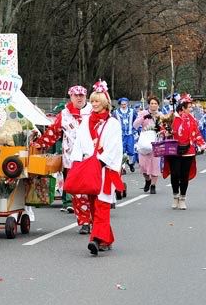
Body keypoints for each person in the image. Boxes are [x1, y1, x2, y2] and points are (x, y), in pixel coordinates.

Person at [31, 84, 93, 233]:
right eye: (76, 96)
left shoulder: (92, 111)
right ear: (71, 97)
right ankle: (84, 222)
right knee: (77, 192)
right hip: (71, 160)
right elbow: (53, 133)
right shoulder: (64, 114)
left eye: (81, 96)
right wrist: (39, 145)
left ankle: (95, 219)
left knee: (92, 191)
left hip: (91, 159)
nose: (79, 98)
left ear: (86, 97)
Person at [70, 85, 123, 256]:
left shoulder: (113, 123)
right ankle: (106, 238)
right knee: (93, 204)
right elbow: (78, 142)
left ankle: (96, 239)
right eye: (92, 101)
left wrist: (101, 161)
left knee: (102, 204)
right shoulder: (86, 121)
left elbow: (114, 146)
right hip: (88, 166)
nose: (94, 104)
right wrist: (76, 162)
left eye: (97, 101)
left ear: (105, 103)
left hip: (104, 168)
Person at [162, 94, 205, 210]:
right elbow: (162, 128)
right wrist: (166, 132)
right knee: (175, 173)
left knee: (184, 175)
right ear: (182, 107)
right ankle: (175, 195)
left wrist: (202, 144)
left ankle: (182, 198)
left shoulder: (192, 119)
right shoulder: (172, 117)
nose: (191, 109)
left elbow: (196, 133)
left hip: (188, 150)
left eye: (191, 107)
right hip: (174, 149)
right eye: (189, 107)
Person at [133, 96, 162, 194]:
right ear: (149, 104)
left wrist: (160, 128)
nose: (153, 105)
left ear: (158, 105)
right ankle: (147, 180)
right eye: (152, 103)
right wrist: (143, 117)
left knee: (155, 165)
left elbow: (165, 128)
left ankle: (153, 185)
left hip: (156, 142)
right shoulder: (143, 113)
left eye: (155, 103)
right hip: (144, 142)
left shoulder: (161, 115)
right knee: (143, 165)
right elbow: (135, 125)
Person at [112, 96, 137, 172]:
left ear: (127, 104)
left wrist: (136, 130)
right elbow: (113, 122)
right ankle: (122, 168)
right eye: (122, 104)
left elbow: (136, 121)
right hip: (120, 135)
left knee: (130, 151)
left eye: (125, 104)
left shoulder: (132, 111)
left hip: (130, 134)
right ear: (120, 104)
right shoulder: (115, 112)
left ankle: (130, 163)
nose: (123, 105)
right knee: (121, 151)